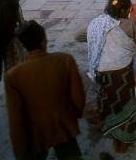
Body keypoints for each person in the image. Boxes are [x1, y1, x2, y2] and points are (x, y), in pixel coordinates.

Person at [5, 21, 85, 160]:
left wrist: (20, 151)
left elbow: (16, 119)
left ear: (23, 45)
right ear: (44, 40)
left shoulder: (13, 76)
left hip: (36, 133)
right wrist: (74, 115)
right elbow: (78, 98)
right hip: (63, 126)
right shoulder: (65, 60)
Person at [87, 0, 136, 154]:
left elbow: (79, 36)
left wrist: (98, 38)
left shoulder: (97, 23)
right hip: (120, 75)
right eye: (129, 9)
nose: (131, 11)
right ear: (124, 11)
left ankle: (108, 126)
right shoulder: (130, 23)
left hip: (100, 73)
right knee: (124, 106)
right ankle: (122, 142)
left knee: (107, 101)